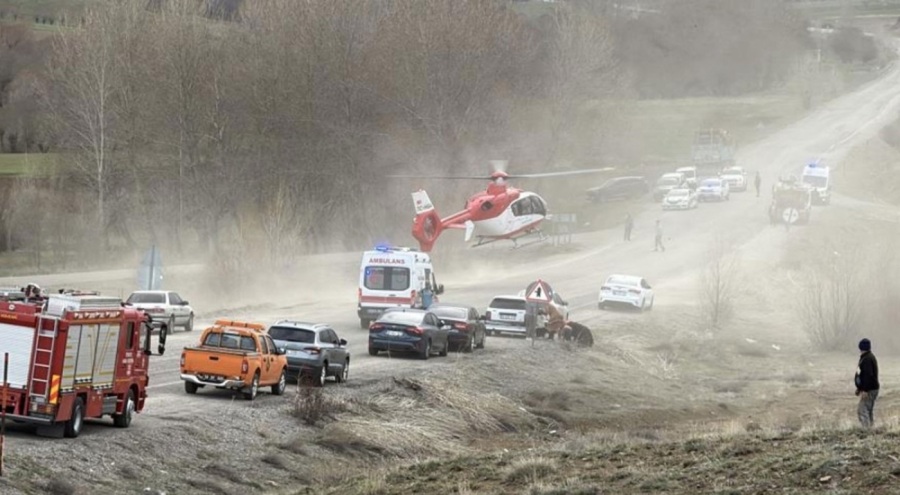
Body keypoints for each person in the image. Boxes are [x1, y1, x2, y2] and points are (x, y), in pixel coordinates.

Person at [855, 338, 879, 429]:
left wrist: (865, 390)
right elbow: (863, 374)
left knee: (862, 410)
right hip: (871, 388)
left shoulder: (867, 359)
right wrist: (859, 388)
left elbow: (868, 375)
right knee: (868, 410)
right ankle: (871, 428)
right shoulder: (866, 357)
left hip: (870, 389)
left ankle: (866, 430)